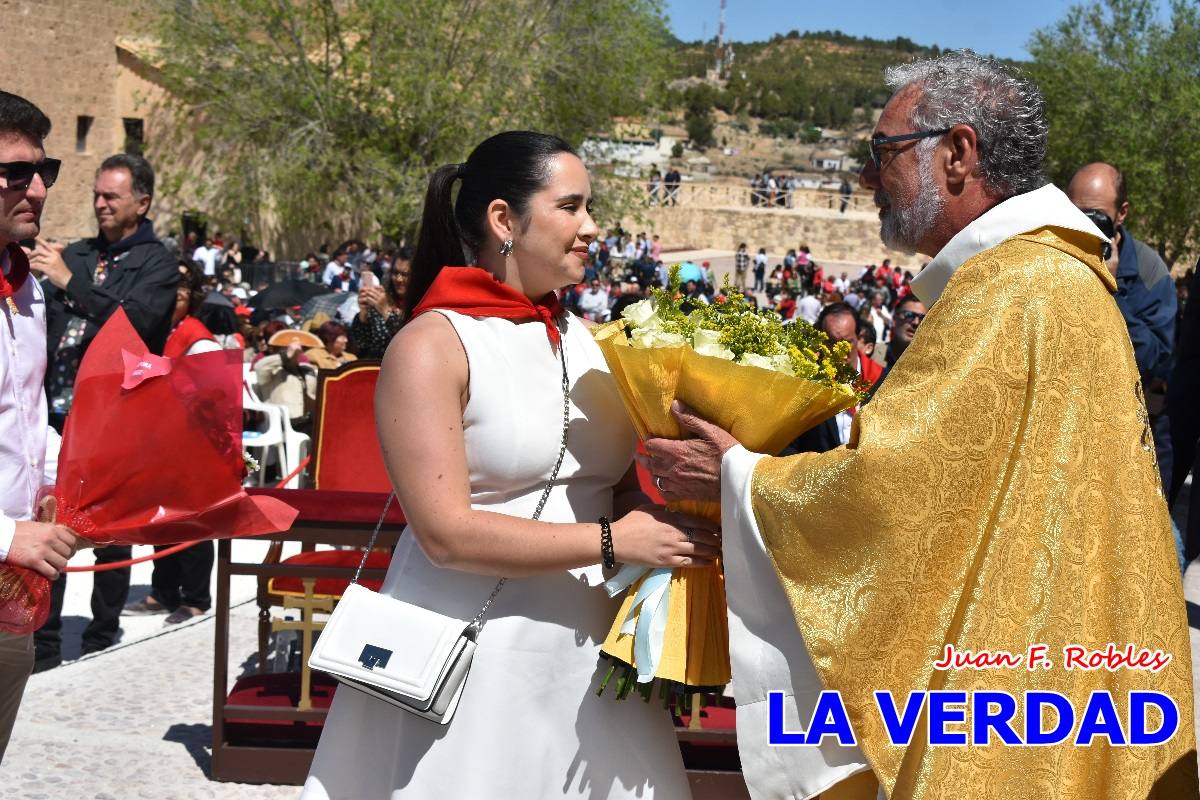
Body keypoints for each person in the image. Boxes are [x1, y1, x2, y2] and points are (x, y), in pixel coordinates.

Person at [643, 51, 1196, 797]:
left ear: (959, 153)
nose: (868, 179)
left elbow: (894, 492)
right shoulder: (1051, 278)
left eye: (883, 153)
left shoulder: (1013, 289)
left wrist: (738, 476)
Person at [302, 131, 711, 799]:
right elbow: (445, 534)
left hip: (586, 658)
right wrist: (614, 542)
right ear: (503, 220)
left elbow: (613, 485)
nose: (592, 227)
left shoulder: (591, 342)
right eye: (571, 206)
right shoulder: (431, 345)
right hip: (469, 661)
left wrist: (682, 517)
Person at [29, 151, 176, 669]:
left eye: (111, 196)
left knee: (109, 534)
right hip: (54, 413)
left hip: (115, 415)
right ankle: (43, 641)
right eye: (96, 194)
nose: (100, 204)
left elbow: (136, 323)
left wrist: (72, 284)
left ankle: (100, 634)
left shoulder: (156, 263)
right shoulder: (82, 253)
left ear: (142, 201)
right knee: (48, 523)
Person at [0, 90, 80, 764]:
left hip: (10, 592)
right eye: (13, 173)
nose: (35, 188)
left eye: (43, 171)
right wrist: (7, 535)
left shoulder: (25, 286)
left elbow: (26, 416)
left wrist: (70, 480)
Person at [1066, 163, 1176, 494]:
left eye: (1095, 215)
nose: (1084, 224)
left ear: (1122, 212)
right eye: (1075, 213)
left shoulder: (1149, 270)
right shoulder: (1051, 255)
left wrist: (1111, 290)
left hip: (1127, 449)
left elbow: (1155, 362)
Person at [123, 261, 219, 624]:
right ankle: (163, 591)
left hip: (191, 442)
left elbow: (212, 396)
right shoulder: (161, 330)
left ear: (185, 297)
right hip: (160, 439)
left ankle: (195, 597)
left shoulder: (198, 338)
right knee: (161, 518)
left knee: (193, 521)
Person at [348, 247, 409, 358]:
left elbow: (408, 342)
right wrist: (364, 314)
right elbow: (359, 345)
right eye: (395, 273)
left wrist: (386, 312)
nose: (399, 279)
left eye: (405, 274)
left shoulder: (423, 308)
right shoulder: (381, 300)